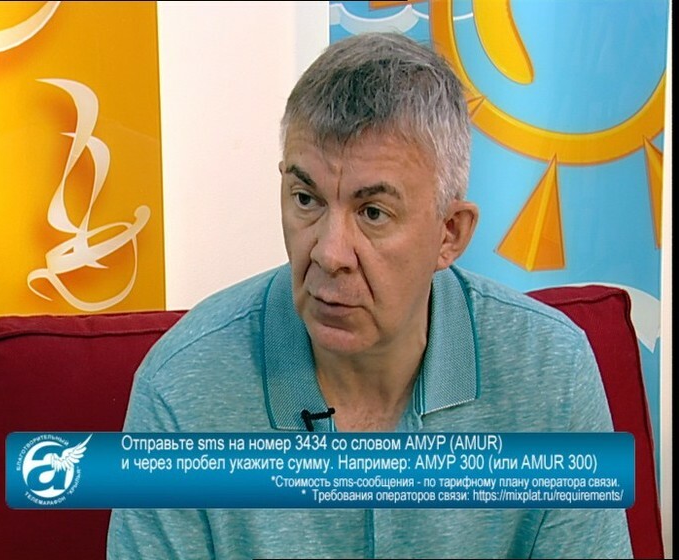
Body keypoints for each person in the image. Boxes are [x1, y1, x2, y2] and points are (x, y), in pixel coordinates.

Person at [107, 32, 632, 559]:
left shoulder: (551, 373)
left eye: (373, 213)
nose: (329, 253)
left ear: (449, 233)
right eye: (306, 199)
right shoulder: (180, 388)